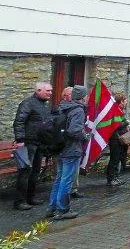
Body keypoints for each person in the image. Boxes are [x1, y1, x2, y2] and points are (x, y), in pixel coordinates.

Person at [46, 85, 89, 220]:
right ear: (82, 97)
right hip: (71, 149)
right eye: (86, 95)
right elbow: (74, 131)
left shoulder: (63, 107)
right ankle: (63, 209)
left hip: (60, 148)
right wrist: (85, 137)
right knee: (66, 180)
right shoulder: (78, 110)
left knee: (59, 179)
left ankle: (52, 208)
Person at [12, 82, 52, 211]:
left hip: (39, 143)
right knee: (25, 172)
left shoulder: (43, 105)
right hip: (28, 143)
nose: (50, 93)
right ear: (39, 90)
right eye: (48, 91)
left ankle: (31, 197)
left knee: (35, 171)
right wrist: (20, 140)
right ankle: (19, 201)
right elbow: (19, 121)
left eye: (51, 91)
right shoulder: (28, 103)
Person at [106, 92, 130, 186]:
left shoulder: (120, 110)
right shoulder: (116, 111)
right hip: (115, 138)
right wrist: (126, 122)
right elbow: (116, 125)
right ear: (121, 102)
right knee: (114, 159)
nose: (126, 103)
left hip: (119, 138)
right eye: (125, 101)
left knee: (118, 158)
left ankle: (116, 177)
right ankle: (111, 179)